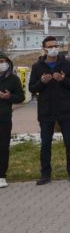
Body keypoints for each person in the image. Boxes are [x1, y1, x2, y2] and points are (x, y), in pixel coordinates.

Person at [29, 36, 70, 185]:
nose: (53, 49)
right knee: (45, 143)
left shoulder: (67, 64)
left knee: (69, 142)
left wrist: (63, 80)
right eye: (50, 46)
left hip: (65, 109)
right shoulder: (37, 66)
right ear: (44, 48)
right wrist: (42, 82)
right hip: (46, 110)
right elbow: (32, 88)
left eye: (56, 46)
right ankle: (45, 174)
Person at [0, 53, 25, 189]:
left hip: (4, 118)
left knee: (3, 147)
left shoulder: (13, 79)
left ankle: (2, 175)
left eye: (4, 61)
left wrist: (9, 97)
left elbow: (20, 97)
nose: (2, 63)